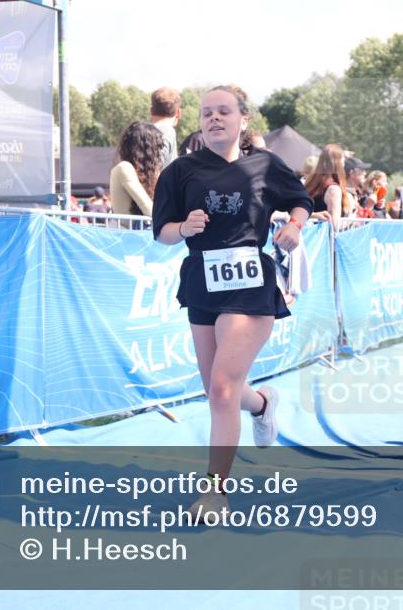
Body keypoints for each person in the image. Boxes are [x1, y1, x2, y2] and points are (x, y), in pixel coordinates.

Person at [152, 84, 313, 522]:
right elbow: (161, 230)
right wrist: (184, 227)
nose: (214, 118)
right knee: (217, 392)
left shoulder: (265, 165)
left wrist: (295, 226)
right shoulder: (180, 172)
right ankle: (262, 404)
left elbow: (302, 200)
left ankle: (215, 492)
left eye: (223, 111)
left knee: (222, 388)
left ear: (244, 120)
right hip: (202, 283)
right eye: (206, 113)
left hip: (249, 284)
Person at [110, 121, 165, 217]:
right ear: (148, 150)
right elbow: (148, 208)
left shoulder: (143, 173)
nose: (159, 153)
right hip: (126, 231)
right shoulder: (124, 168)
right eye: (157, 148)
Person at [304, 144, 355, 227]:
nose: (343, 165)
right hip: (322, 238)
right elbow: (334, 225)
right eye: (342, 162)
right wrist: (352, 218)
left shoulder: (311, 183)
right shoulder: (333, 189)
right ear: (338, 163)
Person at [150, 87, 181, 169]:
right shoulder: (168, 131)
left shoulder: (142, 132)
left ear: (151, 111)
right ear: (178, 113)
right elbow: (156, 168)